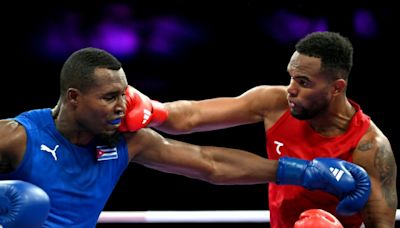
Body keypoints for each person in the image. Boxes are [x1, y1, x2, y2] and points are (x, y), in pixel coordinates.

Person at [0, 47, 371, 227]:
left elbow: (209, 163)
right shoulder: (18, 137)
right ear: (74, 98)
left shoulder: (128, 140)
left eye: (125, 95)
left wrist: (302, 173)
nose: (122, 106)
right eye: (110, 98)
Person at [154, 31, 398, 227]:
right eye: (291, 77)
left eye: (303, 82)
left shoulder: (370, 147)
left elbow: (382, 224)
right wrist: (147, 108)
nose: (291, 89)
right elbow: (190, 116)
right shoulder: (274, 103)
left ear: (336, 88)